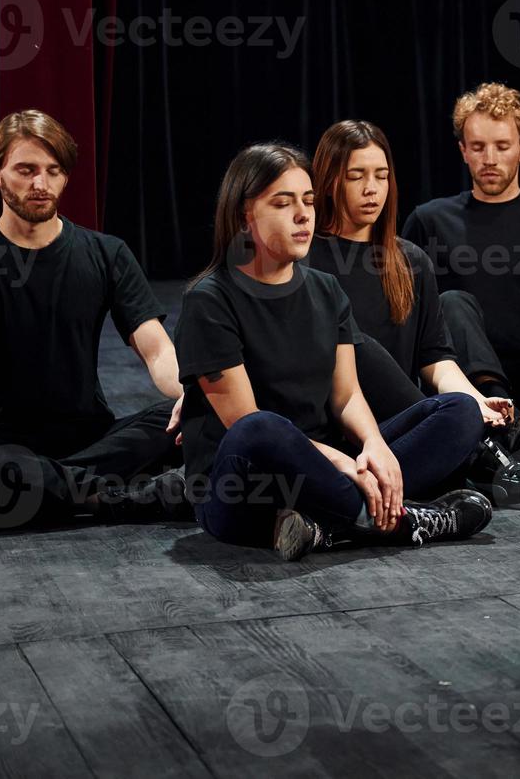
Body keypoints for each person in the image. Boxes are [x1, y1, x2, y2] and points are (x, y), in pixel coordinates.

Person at [175, 143, 492, 562]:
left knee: (459, 411)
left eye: (307, 200)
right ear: (244, 215)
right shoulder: (209, 300)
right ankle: (403, 521)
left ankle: (331, 526)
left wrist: (373, 445)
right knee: (261, 429)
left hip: (323, 473)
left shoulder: (326, 289)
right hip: (245, 488)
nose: (304, 214)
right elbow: (244, 422)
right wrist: (344, 465)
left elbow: (346, 396)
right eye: (283, 203)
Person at [0, 110, 184, 533]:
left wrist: (188, 391)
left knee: (186, 413)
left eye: (53, 171)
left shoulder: (108, 254)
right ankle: (114, 500)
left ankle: (20, 493)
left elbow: (156, 349)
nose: (41, 185)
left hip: (89, 438)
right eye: (25, 170)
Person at [306, 119, 520, 507]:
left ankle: (468, 455)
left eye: (381, 176)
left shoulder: (410, 260)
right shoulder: (307, 261)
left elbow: (435, 358)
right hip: (337, 434)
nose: (372, 189)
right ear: (328, 182)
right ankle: (482, 457)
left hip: (399, 433)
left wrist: (475, 399)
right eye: (356, 176)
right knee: (355, 342)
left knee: (458, 410)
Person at [401, 82, 520, 483]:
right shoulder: (430, 219)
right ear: (463, 151)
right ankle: (507, 422)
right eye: (477, 147)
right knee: (451, 300)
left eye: (502, 146)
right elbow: (414, 316)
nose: (490, 159)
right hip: (472, 381)